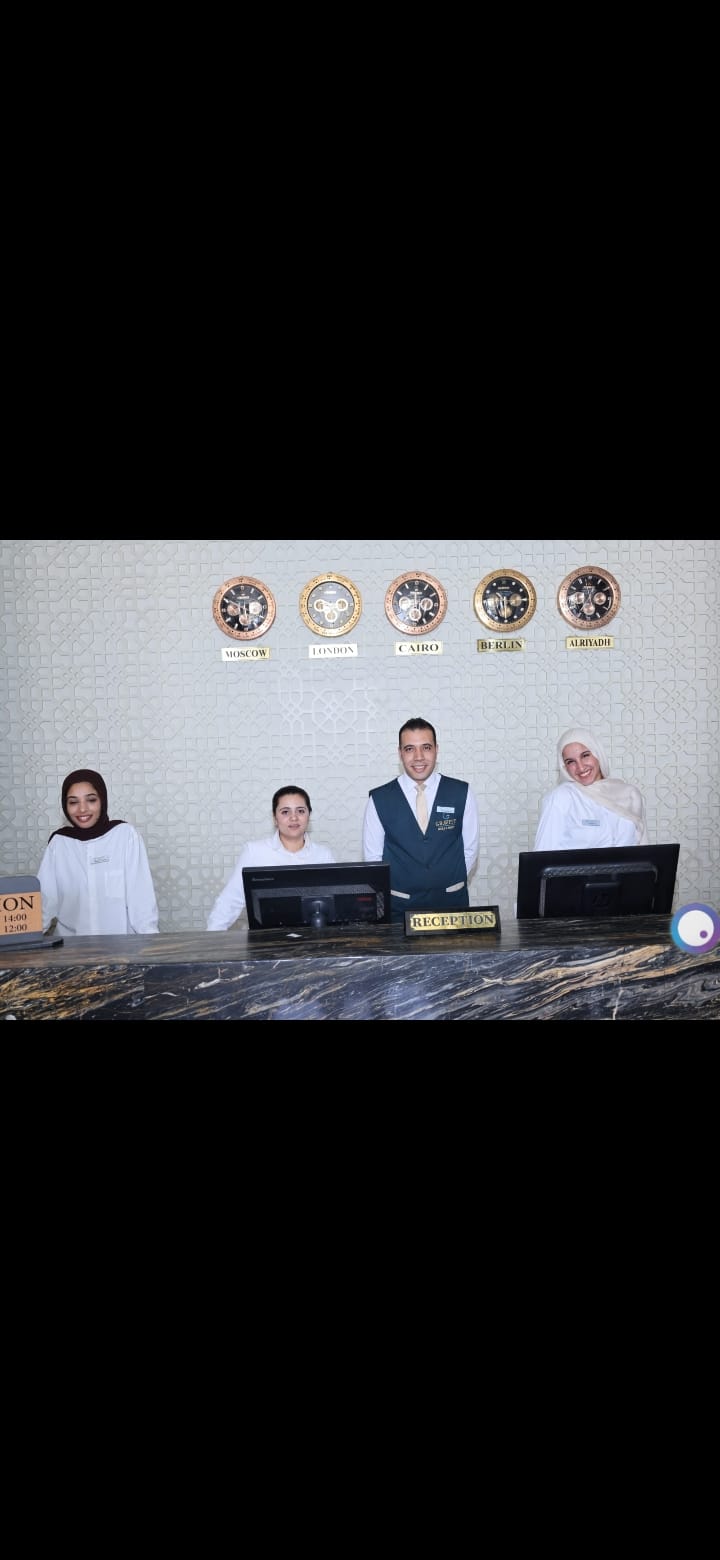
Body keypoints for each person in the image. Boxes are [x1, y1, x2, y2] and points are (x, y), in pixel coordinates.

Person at [363, 718, 480, 921]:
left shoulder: (461, 792)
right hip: (400, 909)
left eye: (426, 747)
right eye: (410, 749)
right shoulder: (379, 799)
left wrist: (448, 881)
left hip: (452, 907)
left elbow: (470, 850)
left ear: (436, 749)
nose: (419, 757)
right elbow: (373, 859)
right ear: (400, 753)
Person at [37, 768, 159, 935]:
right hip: (71, 947)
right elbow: (44, 903)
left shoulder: (125, 836)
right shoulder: (59, 844)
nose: (82, 809)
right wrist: (25, 940)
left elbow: (142, 900)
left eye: (91, 800)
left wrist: (151, 943)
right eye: (73, 802)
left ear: (102, 800)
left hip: (121, 947)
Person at [207, 786, 336, 930]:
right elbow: (230, 901)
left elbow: (334, 905)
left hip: (313, 937)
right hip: (266, 938)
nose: (294, 817)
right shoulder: (254, 852)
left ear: (309, 816)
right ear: (275, 818)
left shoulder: (323, 854)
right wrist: (212, 937)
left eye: (300, 811)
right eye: (285, 812)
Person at [533, 726, 649, 850]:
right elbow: (542, 855)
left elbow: (644, 849)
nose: (580, 767)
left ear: (598, 754)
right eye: (570, 762)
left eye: (585, 755)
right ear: (564, 767)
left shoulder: (630, 794)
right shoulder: (561, 798)